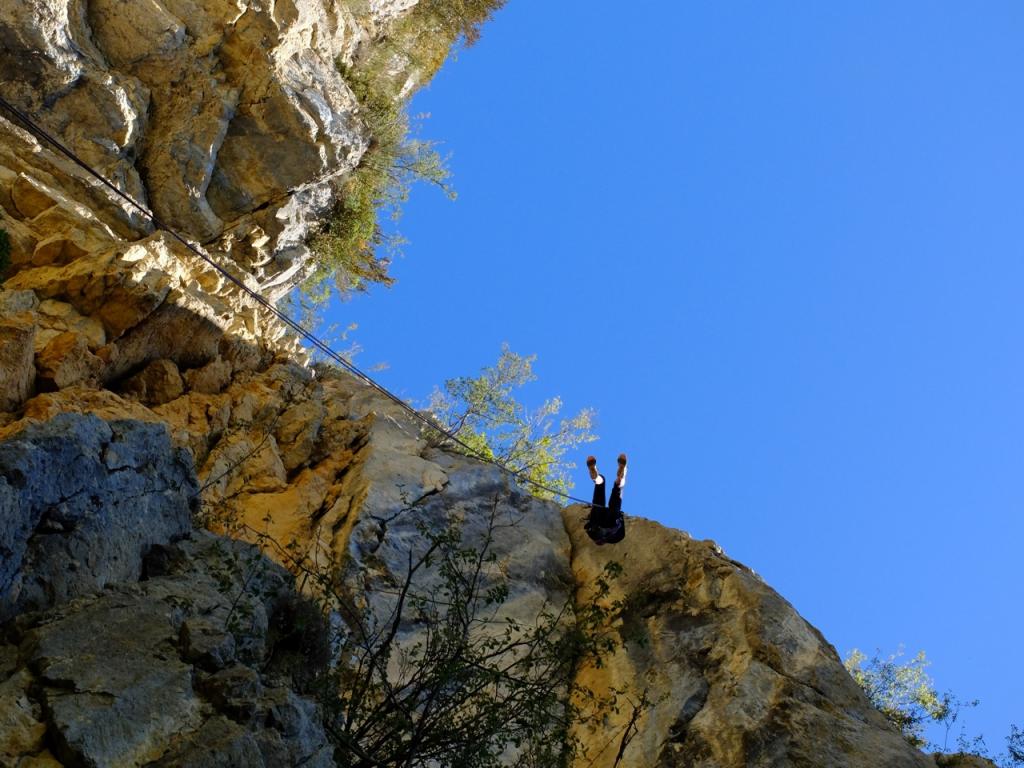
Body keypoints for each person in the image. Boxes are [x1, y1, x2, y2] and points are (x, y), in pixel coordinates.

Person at [584, 453, 627, 545]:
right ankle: (597, 477)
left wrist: (620, 516)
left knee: (617, 493)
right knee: (599, 496)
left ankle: (619, 479)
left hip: (611, 521)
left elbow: (621, 530)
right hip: (598, 521)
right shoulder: (594, 535)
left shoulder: (615, 538)